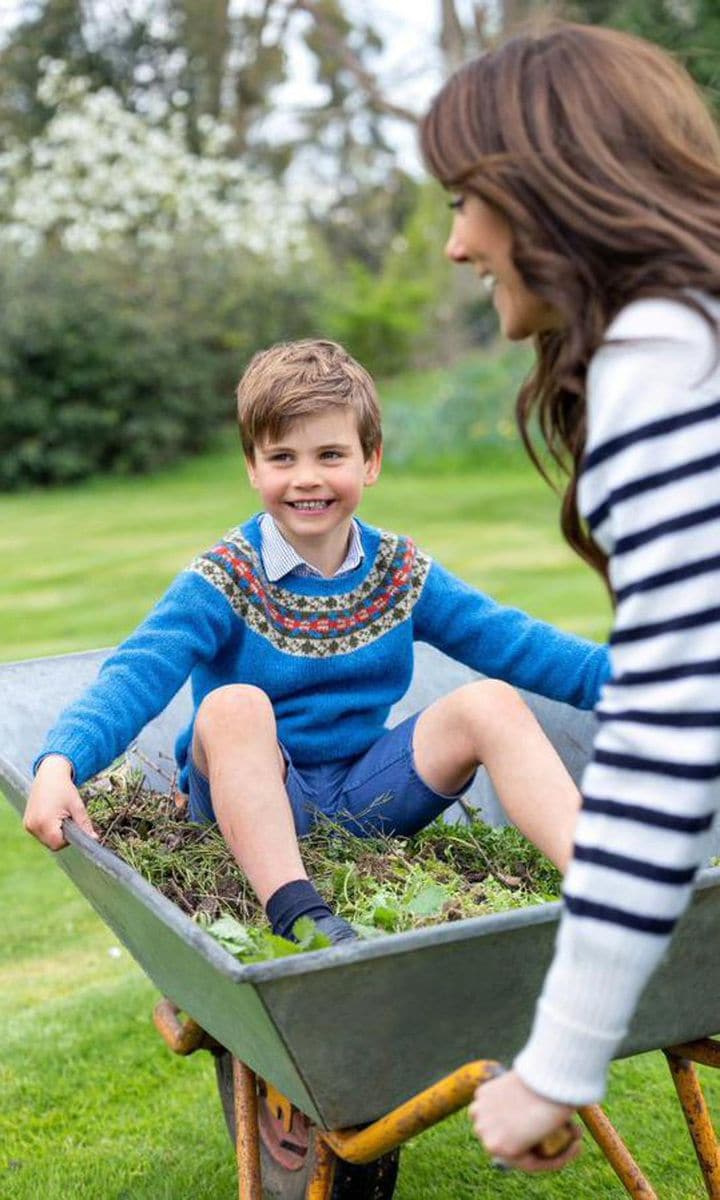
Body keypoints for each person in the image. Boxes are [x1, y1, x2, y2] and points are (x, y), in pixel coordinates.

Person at [25, 337, 607, 949]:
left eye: (331, 454)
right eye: (282, 457)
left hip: (366, 795)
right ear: (252, 466)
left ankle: (600, 885)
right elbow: (138, 671)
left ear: (370, 461)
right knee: (233, 705)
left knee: (489, 700)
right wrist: (62, 760)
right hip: (248, 800)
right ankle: (300, 915)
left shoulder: (399, 571)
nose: (307, 478)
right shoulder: (226, 577)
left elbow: (517, 643)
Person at [421, 19, 720, 1172]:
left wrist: (559, 1057)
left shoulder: (662, 362)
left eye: (466, 201)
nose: (455, 245)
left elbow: (672, 737)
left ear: (546, 193)